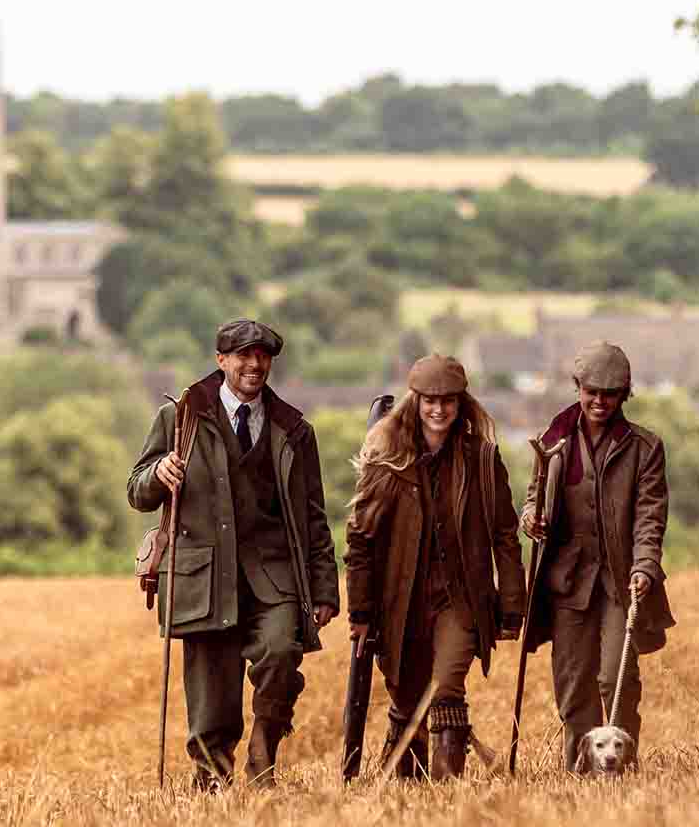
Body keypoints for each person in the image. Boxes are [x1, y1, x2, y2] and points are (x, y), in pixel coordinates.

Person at [126, 319, 340, 791]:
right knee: (212, 697)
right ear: (221, 360)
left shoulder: (294, 429)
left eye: (263, 356)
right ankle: (211, 784)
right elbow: (136, 491)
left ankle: (264, 749)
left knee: (282, 653)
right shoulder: (179, 418)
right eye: (243, 355)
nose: (254, 365)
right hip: (204, 577)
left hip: (274, 576)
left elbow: (313, 515)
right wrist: (158, 474)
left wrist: (325, 587)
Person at [345, 354, 528, 781]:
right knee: (407, 698)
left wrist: (512, 604)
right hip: (400, 602)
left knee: (446, 689)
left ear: (461, 403)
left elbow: (505, 535)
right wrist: (360, 611)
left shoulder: (483, 460)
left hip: (460, 600)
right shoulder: (386, 457)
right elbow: (360, 540)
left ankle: (447, 793)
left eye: (448, 400)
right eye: (430, 400)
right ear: (416, 401)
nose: (439, 409)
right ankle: (409, 789)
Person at [520, 341, 675, 772]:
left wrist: (646, 565)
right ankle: (579, 774)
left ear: (624, 395)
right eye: (592, 392)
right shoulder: (552, 441)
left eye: (610, 394)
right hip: (567, 581)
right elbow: (534, 496)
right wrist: (531, 517)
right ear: (578, 388)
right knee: (573, 684)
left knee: (615, 676)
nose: (600, 401)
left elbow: (650, 515)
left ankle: (622, 770)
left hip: (621, 581)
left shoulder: (646, 447)